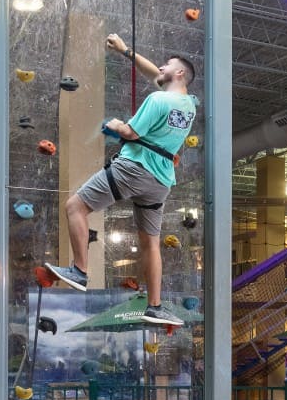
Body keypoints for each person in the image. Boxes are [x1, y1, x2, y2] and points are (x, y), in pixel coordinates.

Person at [46, 34, 197, 325]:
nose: (161, 67)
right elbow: (155, 73)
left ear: (178, 73)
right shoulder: (188, 105)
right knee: (150, 243)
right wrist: (126, 51)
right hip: (161, 180)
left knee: (75, 206)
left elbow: (130, 133)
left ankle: (79, 271)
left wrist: (116, 124)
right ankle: (155, 305)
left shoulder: (157, 99)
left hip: (134, 168)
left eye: (168, 65)